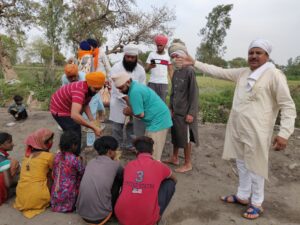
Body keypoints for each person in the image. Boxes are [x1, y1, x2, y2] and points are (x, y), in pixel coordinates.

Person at [176, 38, 296, 219]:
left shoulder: (275, 75)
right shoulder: (243, 73)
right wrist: (194, 62)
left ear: (267, 56)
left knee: (256, 167)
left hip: (258, 131)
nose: (253, 56)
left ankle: (256, 203)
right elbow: (219, 72)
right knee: (241, 163)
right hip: (238, 128)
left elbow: (288, 105)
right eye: (251, 53)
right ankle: (242, 195)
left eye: (258, 53)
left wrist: (284, 133)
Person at [115, 136, 176, 225]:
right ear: (152, 152)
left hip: (121, 216)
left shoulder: (129, 165)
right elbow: (175, 179)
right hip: (146, 221)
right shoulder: (160, 166)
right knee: (170, 183)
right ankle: (157, 218)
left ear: (136, 151)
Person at [111, 72, 172, 161]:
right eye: (118, 89)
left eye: (121, 88)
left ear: (128, 82)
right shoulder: (135, 87)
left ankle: (154, 172)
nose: (120, 91)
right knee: (148, 150)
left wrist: (128, 112)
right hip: (157, 120)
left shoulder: (135, 91)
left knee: (153, 154)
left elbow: (140, 114)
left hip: (159, 122)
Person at [163, 40, 199, 173]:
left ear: (184, 55)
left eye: (177, 56)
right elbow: (173, 92)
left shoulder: (189, 71)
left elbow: (194, 94)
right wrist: (170, 107)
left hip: (186, 113)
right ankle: (174, 157)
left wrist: (191, 113)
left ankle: (188, 163)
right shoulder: (176, 71)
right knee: (176, 135)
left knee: (186, 138)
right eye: (172, 56)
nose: (175, 58)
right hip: (175, 111)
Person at [50, 72, 106, 155]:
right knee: (74, 133)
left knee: (73, 130)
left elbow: (85, 104)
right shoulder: (79, 91)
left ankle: (66, 152)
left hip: (67, 107)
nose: (97, 91)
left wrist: (92, 120)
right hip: (59, 109)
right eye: (95, 89)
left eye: (99, 88)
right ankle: (73, 156)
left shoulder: (89, 90)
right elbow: (75, 115)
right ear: (89, 84)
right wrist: (93, 127)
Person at [76, 136, 123, 224]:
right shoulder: (116, 165)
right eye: (115, 150)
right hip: (101, 216)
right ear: (110, 151)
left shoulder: (91, 162)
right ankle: (114, 212)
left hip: (82, 213)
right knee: (117, 180)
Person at [109, 43, 146, 150]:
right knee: (117, 126)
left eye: (132, 57)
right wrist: (129, 102)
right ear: (124, 55)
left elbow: (142, 87)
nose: (130, 59)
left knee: (132, 124)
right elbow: (115, 88)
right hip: (118, 100)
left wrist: (134, 104)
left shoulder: (140, 70)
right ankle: (116, 146)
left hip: (135, 102)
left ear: (136, 57)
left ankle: (130, 145)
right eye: (127, 57)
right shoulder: (116, 67)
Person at [14, 128, 54, 219]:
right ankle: (48, 198)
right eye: (50, 140)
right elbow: (55, 172)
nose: (52, 142)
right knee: (52, 174)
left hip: (21, 197)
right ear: (42, 142)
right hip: (38, 197)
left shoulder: (26, 156)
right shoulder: (49, 156)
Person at [51, 131, 85, 213]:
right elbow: (82, 172)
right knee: (80, 177)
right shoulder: (74, 159)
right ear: (73, 145)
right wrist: (83, 162)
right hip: (68, 200)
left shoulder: (56, 156)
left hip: (55, 199)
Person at [145, 34, 173, 102]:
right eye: (158, 45)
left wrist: (173, 83)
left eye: (161, 45)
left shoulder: (168, 56)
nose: (159, 47)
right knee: (150, 102)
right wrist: (150, 66)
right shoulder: (151, 54)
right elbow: (145, 70)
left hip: (163, 83)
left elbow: (170, 70)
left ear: (165, 45)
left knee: (162, 103)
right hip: (152, 83)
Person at [0, 132, 20, 205]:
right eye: (9, 142)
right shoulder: (4, 162)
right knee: (15, 164)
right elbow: (8, 184)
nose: (13, 144)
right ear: (1, 145)